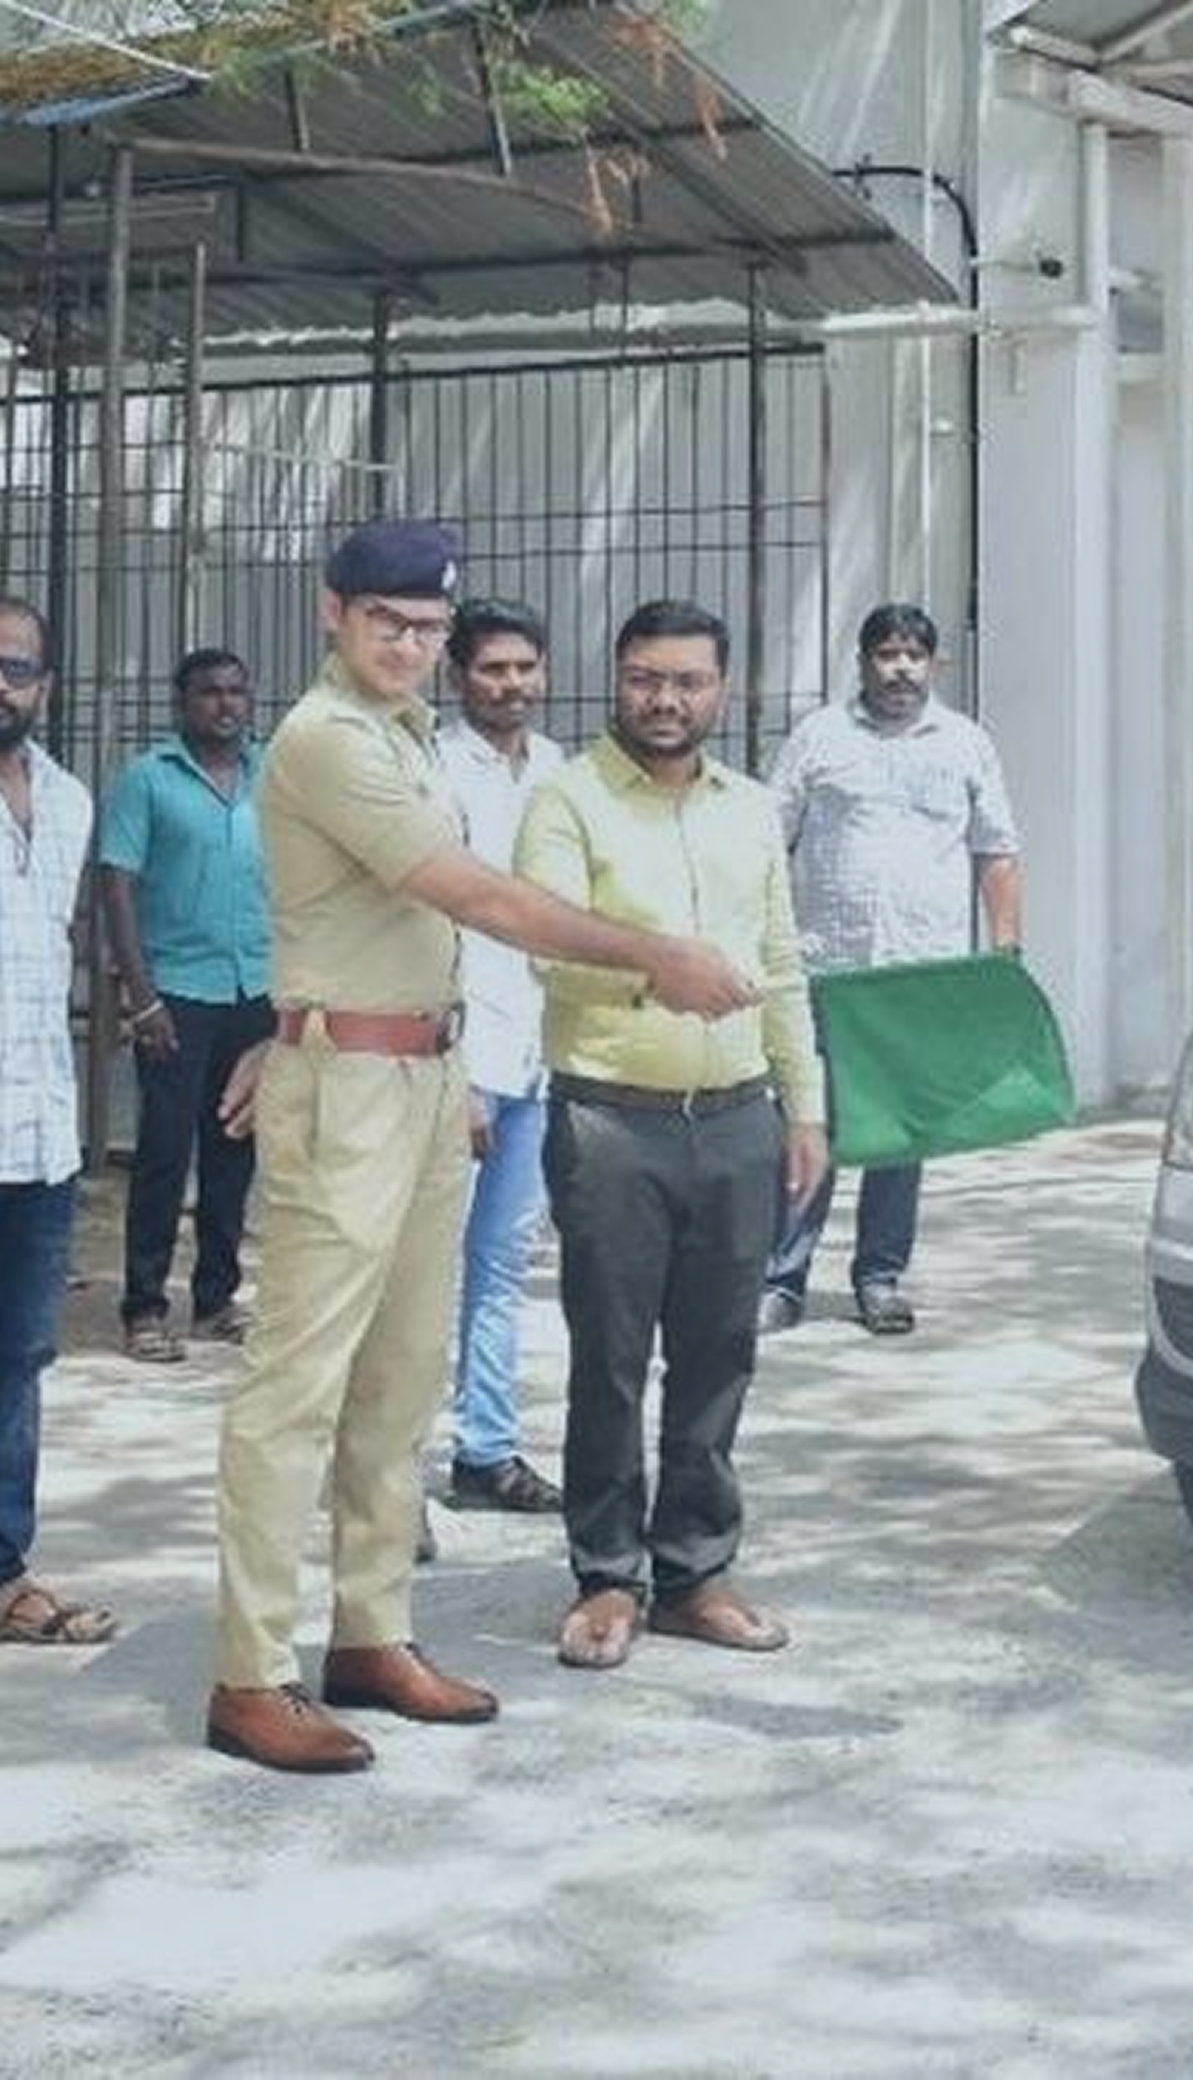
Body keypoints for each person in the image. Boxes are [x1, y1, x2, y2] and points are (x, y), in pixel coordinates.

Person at [204, 521, 759, 1776]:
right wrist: (655, 957)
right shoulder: (329, 737)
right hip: (348, 1086)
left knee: (403, 1378)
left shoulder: (404, 733)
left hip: (423, 1072)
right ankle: (250, 1670)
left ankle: (370, 1632)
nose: (409, 646)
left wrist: (447, 1059)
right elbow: (476, 895)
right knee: (297, 1385)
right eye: (386, 623)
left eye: (427, 627)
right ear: (333, 613)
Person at [518, 599, 826, 1672]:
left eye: (688, 681)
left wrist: (806, 1105)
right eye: (646, 678)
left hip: (739, 1118)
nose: (665, 700)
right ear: (618, 679)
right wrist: (661, 970)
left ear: (721, 690)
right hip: (612, 1120)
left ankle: (695, 1572)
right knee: (609, 1355)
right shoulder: (568, 799)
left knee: (719, 1352)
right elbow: (547, 945)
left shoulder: (752, 808)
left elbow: (780, 962)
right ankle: (607, 1576)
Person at [0, 596, 121, 1691]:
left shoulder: (68, 799)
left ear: (46, 684)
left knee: (15, 1366)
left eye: (14, 669)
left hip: (37, 1139)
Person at [757, 603, 1019, 1337]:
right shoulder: (819, 738)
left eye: (913, 655)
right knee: (810, 1118)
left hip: (917, 977)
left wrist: (1005, 951)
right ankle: (780, 1279)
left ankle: (879, 1278)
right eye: (886, 654)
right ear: (863, 662)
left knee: (902, 1133)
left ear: (935, 664)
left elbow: (996, 850)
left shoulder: (967, 744)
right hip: (827, 971)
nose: (900, 668)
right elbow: (767, 841)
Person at [97, 646, 273, 1365]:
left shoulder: (273, 775)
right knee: (165, 1153)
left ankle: (215, 1299)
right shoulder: (148, 779)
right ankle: (144, 1306)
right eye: (209, 692)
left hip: (255, 990)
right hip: (177, 993)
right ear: (182, 703)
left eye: (236, 691)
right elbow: (116, 886)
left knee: (235, 1149)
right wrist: (141, 998)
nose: (226, 704)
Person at [431, 600, 570, 1516]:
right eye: (492, 669)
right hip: (457, 1056)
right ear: (458, 677)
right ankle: (385, 1478)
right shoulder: (431, 769)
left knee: (501, 1262)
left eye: (525, 668)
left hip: (536, 1054)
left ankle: (485, 1450)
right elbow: (427, 919)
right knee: (422, 1273)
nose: (511, 684)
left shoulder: (560, 772)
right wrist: (455, 1066)